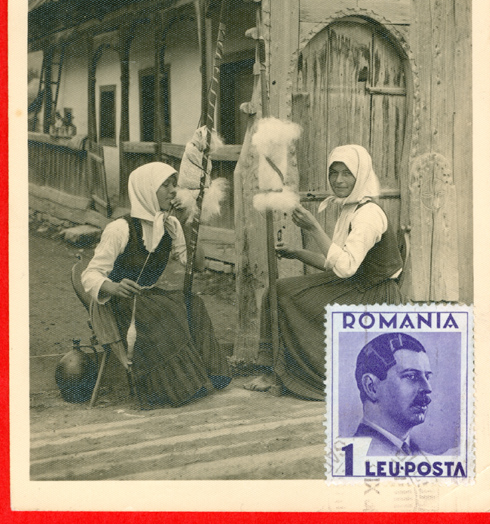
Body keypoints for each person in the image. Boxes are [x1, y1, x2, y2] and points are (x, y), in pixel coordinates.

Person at [245, 144, 403, 400]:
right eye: (334, 172)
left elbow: (344, 267)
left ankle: (286, 372)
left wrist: (312, 227)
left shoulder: (368, 215)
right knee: (280, 290)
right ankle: (273, 367)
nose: (338, 180)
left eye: (346, 173)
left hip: (374, 294)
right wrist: (296, 252)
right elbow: (334, 261)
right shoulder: (350, 207)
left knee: (285, 296)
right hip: (355, 285)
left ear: (360, 174)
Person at [82, 162, 231, 408]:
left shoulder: (170, 226)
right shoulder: (119, 229)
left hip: (147, 298)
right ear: (146, 190)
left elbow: (199, 265)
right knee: (165, 311)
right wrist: (115, 287)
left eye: (175, 184)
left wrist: (188, 222)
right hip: (118, 305)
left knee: (194, 303)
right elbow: (90, 275)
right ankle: (179, 386)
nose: (173, 191)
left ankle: (209, 373)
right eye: (165, 185)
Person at [353, 333, 432, 456]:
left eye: (427, 377)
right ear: (371, 387)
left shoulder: (426, 457)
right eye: (411, 376)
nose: (427, 388)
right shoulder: (355, 456)